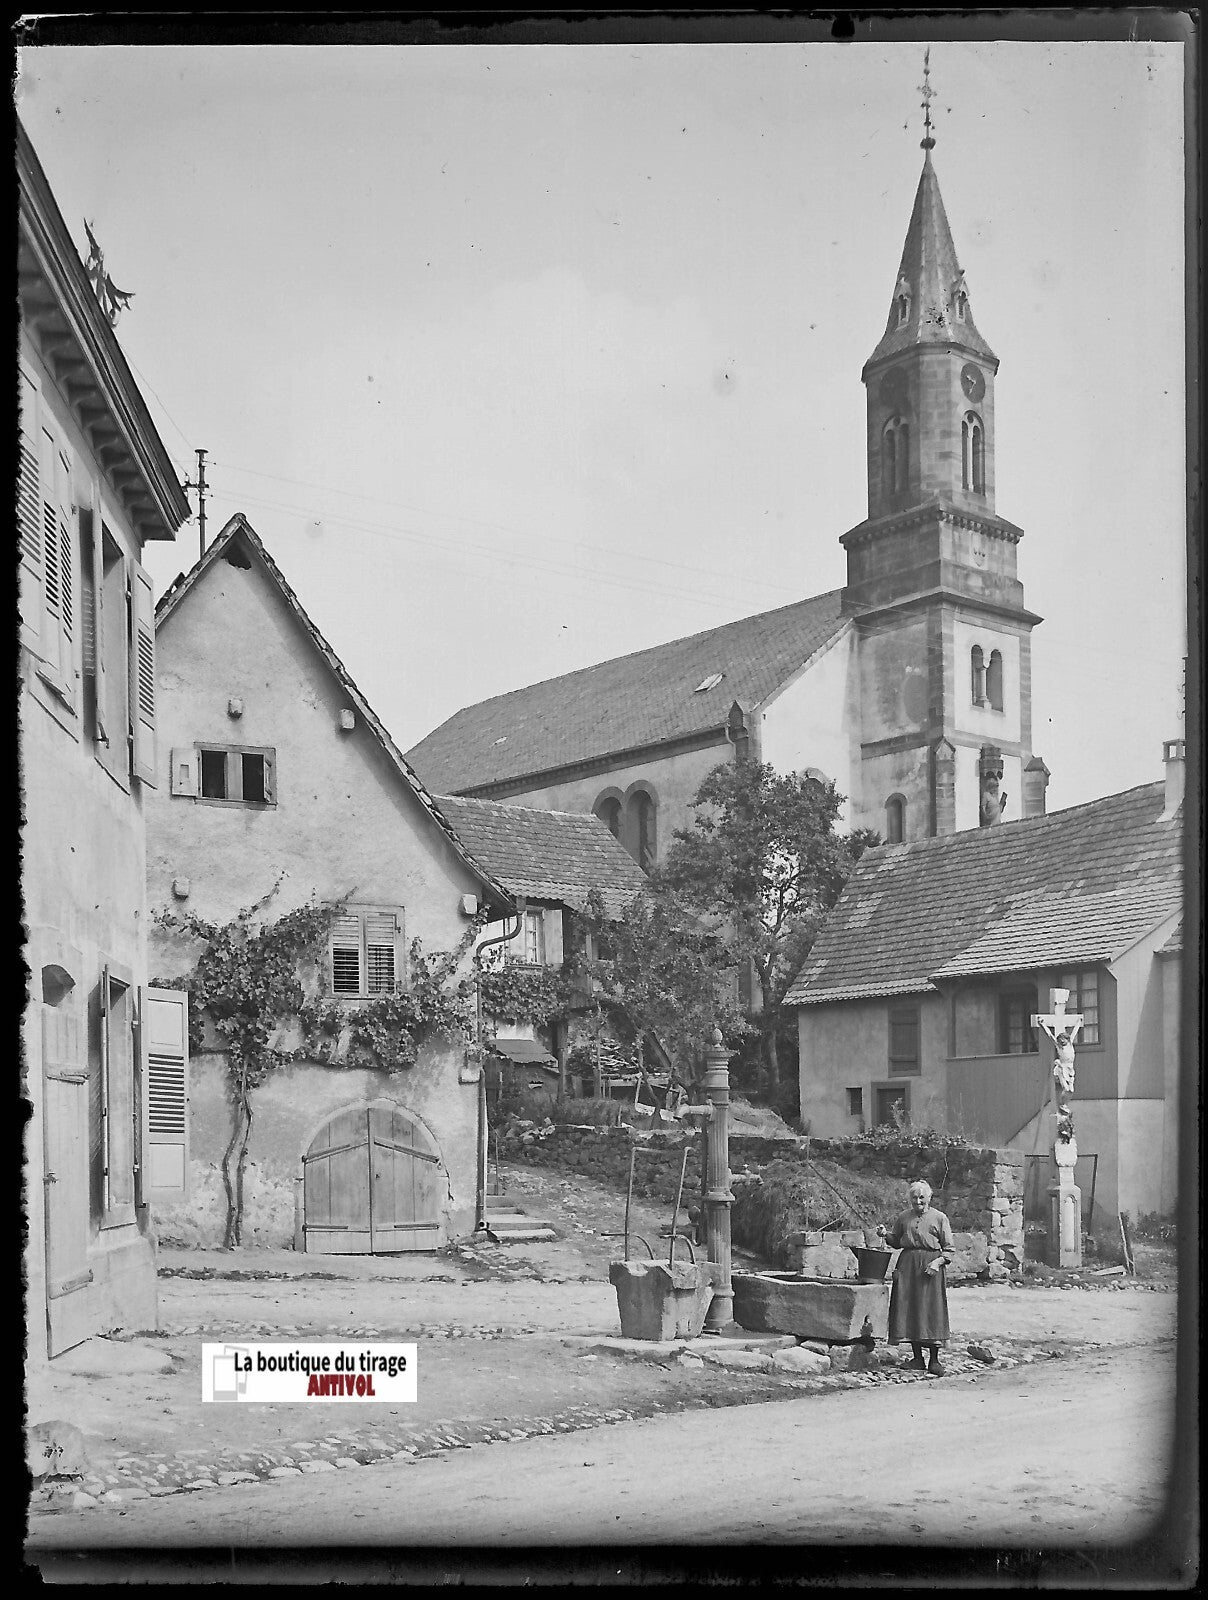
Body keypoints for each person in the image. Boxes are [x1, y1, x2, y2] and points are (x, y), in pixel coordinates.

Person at [877, 1179, 955, 1376]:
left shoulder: (939, 1218)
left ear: (929, 1197)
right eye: (914, 1197)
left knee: (930, 1309)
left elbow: (949, 1249)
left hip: (930, 1266)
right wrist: (885, 1234)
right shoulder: (904, 1217)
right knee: (909, 1308)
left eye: (922, 1197)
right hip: (907, 1265)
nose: (918, 1201)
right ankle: (917, 1358)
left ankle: (934, 1360)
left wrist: (937, 1263)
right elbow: (896, 1241)